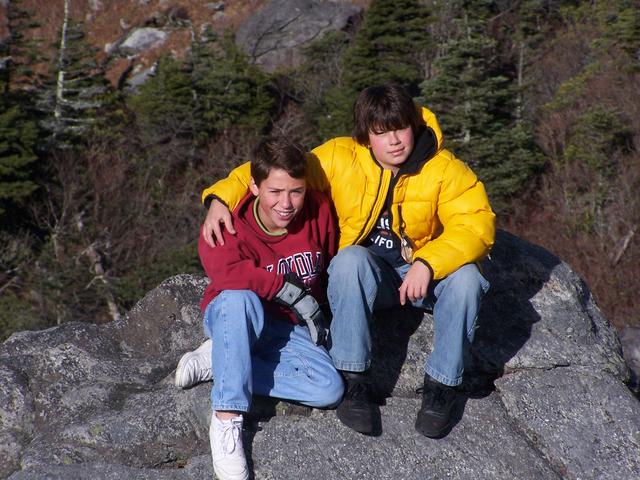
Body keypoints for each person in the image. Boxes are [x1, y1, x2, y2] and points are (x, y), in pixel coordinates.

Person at [199, 84, 495, 439]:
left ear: (413, 126)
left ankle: (442, 386)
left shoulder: (445, 169)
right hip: (372, 277)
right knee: (349, 260)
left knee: (468, 280)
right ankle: (354, 379)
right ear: (367, 136)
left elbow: (475, 223)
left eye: (400, 128)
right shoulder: (341, 158)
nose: (395, 141)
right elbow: (276, 171)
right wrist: (219, 197)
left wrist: (429, 262)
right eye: (381, 132)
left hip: (422, 275)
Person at [175, 137, 344, 480]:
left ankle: (224, 360)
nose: (287, 203)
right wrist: (281, 288)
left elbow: (327, 268)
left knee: (328, 389)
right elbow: (225, 274)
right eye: (275, 192)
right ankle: (226, 420)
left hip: (290, 328)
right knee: (240, 296)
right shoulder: (226, 225)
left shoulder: (319, 209)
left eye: (295, 191)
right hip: (238, 318)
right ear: (253, 186)